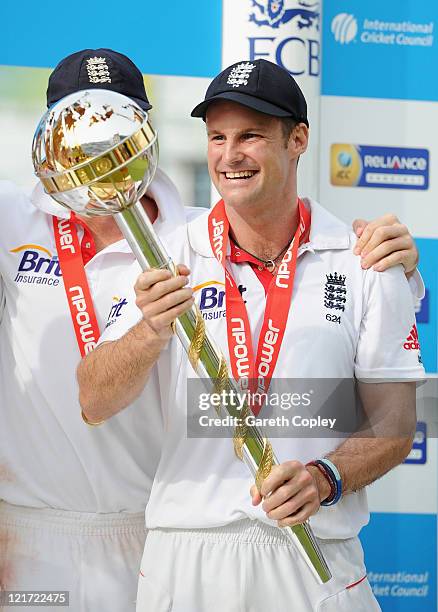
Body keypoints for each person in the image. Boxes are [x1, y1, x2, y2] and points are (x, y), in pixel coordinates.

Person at [77, 59, 425, 611]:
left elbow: (395, 424)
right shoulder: (170, 255)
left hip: (314, 549)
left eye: (250, 136)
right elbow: (94, 400)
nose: (229, 154)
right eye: (216, 137)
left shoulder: (365, 259)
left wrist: (325, 476)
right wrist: (148, 333)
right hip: (188, 553)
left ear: (298, 140)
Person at [0, 48, 201, 611]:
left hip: (153, 533)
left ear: (146, 129)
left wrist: (400, 274)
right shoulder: (12, 217)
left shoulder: (195, 237)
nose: (99, 147)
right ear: (48, 137)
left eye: (117, 124)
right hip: (29, 535)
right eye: (79, 127)